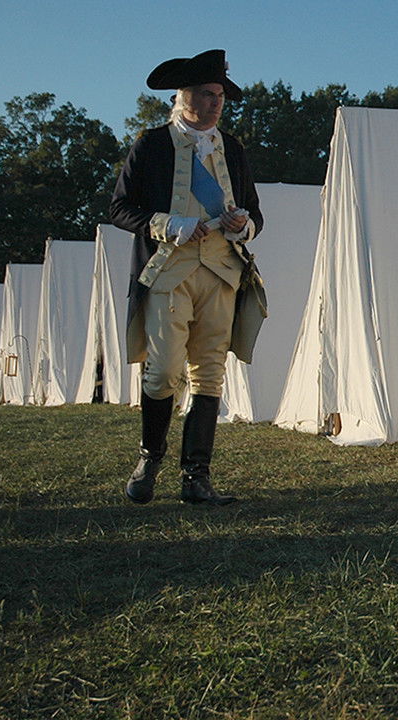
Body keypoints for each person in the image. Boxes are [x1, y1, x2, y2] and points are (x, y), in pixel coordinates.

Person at [110, 49, 263, 506]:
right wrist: (167, 223)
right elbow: (120, 209)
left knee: (210, 375)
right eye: (205, 93)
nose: (215, 103)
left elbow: (255, 214)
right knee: (162, 372)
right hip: (168, 272)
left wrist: (244, 225)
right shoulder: (152, 145)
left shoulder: (232, 149)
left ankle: (197, 479)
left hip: (221, 271)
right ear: (182, 96)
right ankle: (149, 459)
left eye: (219, 95)